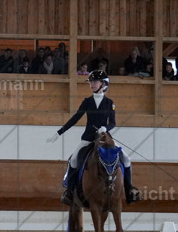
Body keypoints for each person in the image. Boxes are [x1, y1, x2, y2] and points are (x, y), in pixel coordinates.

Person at [48, 70, 140, 206]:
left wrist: (106, 128)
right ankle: (70, 192)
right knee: (73, 160)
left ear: (103, 84)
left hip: (104, 138)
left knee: (126, 159)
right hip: (88, 138)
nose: (92, 84)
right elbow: (75, 118)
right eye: (91, 82)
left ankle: (129, 190)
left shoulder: (110, 103)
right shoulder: (87, 102)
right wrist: (59, 132)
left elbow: (113, 122)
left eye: (95, 82)